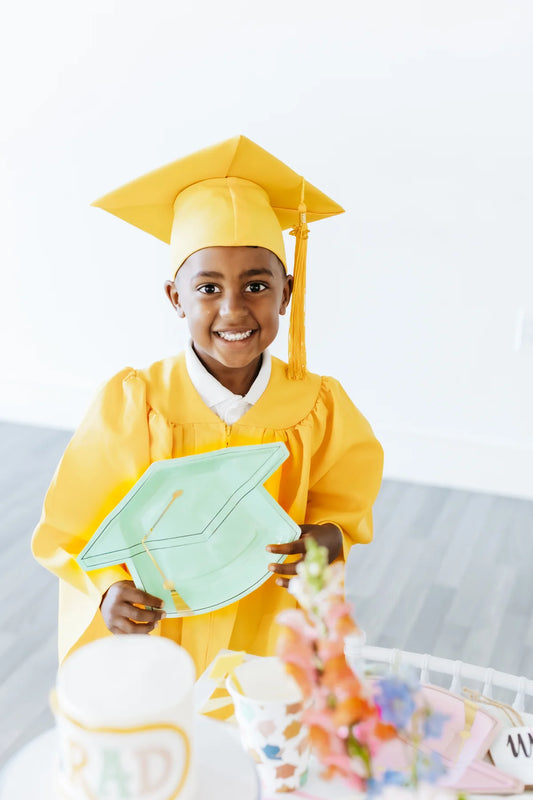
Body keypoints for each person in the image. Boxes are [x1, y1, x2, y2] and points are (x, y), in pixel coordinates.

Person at [32, 135, 384, 676]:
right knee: (168, 722)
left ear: (287, 293)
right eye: (208, 288)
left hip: (269, 621)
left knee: (255, 718)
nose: (234, 310)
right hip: (160, 625)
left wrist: (331, 536)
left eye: (257, 286)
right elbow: (73, 524)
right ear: (176, 298)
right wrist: (107, 589)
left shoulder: (317, 405)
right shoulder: (137, 404)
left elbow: (345, 501)